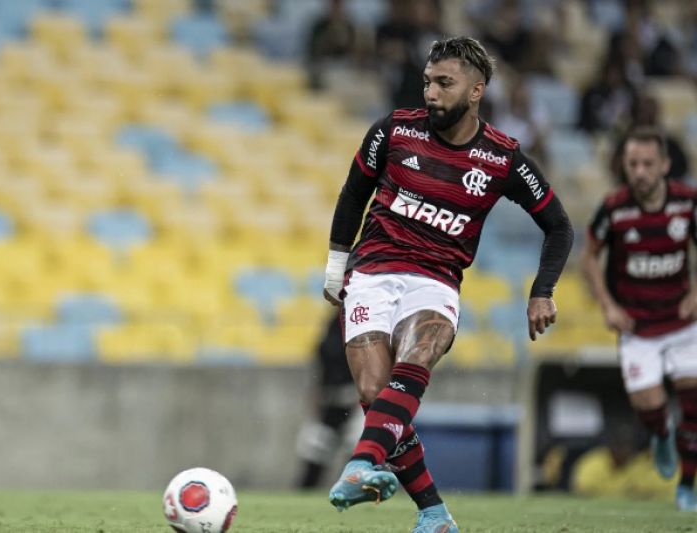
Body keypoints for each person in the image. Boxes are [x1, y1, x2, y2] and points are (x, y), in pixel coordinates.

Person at [322, 36, 573, 532]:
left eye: (444, 83)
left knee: (419, 351)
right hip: (372, 272)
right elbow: (353, 195)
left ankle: (358, 466)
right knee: (376, 397)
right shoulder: (393, 132)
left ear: (476, 90)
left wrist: (542, 289)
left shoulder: (504, 160)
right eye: (427, 82)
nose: (431, 93)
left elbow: (560, 226)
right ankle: (435, 516)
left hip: (435, 281)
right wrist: (336, 265)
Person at [581, 127, 697, 512]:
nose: (641, 171)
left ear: (664, 165)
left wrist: (696, 293)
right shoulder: (614, 208)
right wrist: (607, 305)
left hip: (682, 322)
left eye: (648, 163)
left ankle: (687, 485)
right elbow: (588, 258)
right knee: (649, 407)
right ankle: (660, 435)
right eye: (633, 164)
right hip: (637, 325)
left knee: (693, 402)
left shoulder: (687, 203)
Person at [294, 311, 360, 488]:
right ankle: (304, 496)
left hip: (356, 398)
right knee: (316, 449)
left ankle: (359, 492)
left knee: (358, 449)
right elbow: (323, 361)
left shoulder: (362, 321)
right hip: (329, 399)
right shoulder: (336, 321)